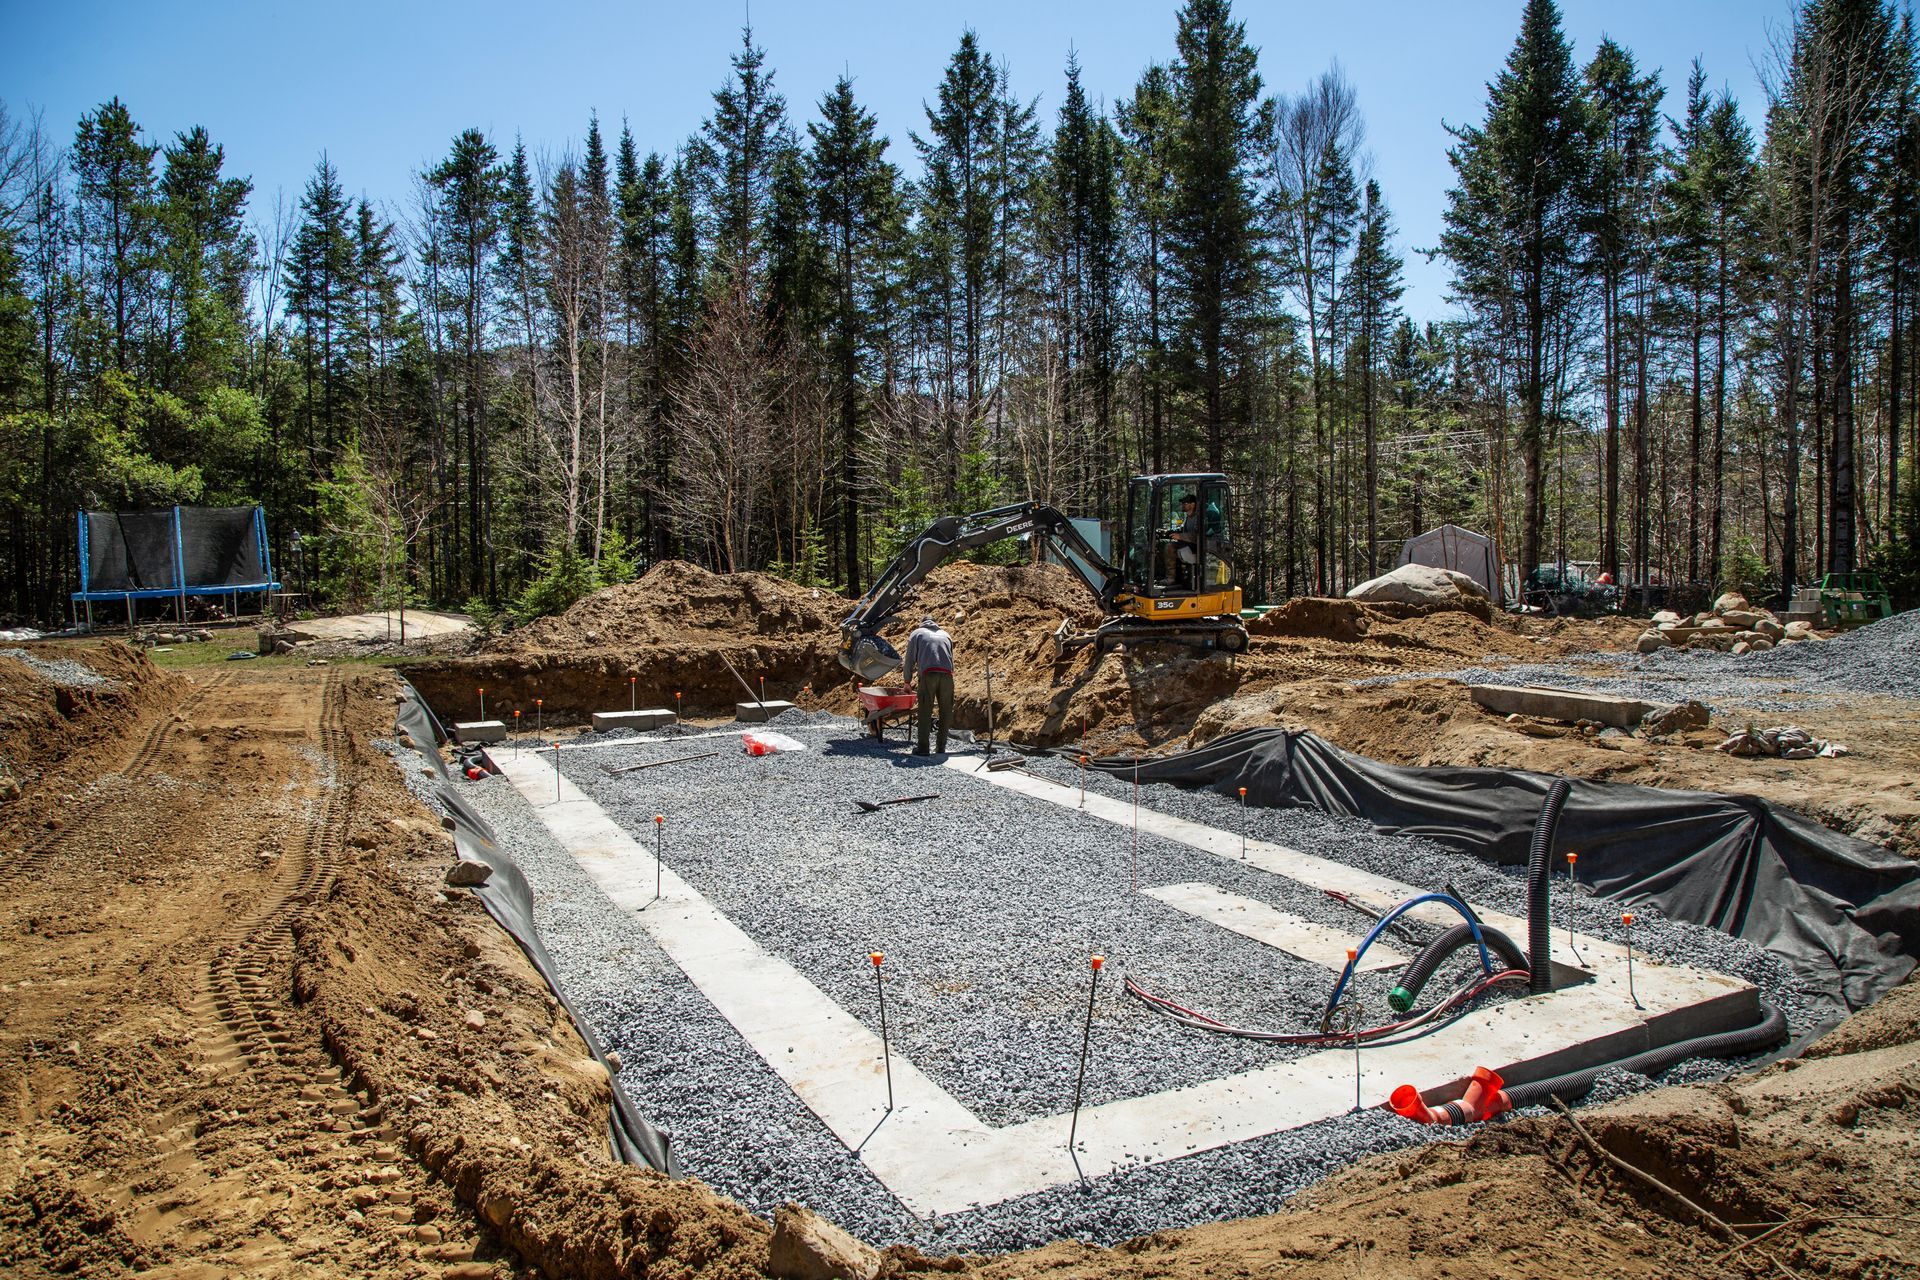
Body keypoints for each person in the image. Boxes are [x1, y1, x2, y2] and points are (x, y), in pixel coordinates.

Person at [901, 615, 954, 756]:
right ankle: (941, 747)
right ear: (935, 623)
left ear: (922, 623)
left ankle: (923, 748)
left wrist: (907, 681)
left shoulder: (917, 634)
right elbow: (950, 658)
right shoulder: (946, 635)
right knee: (946, 711)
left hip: (928, 674)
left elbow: (909, 659)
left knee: (925, 710)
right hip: (947, 675)